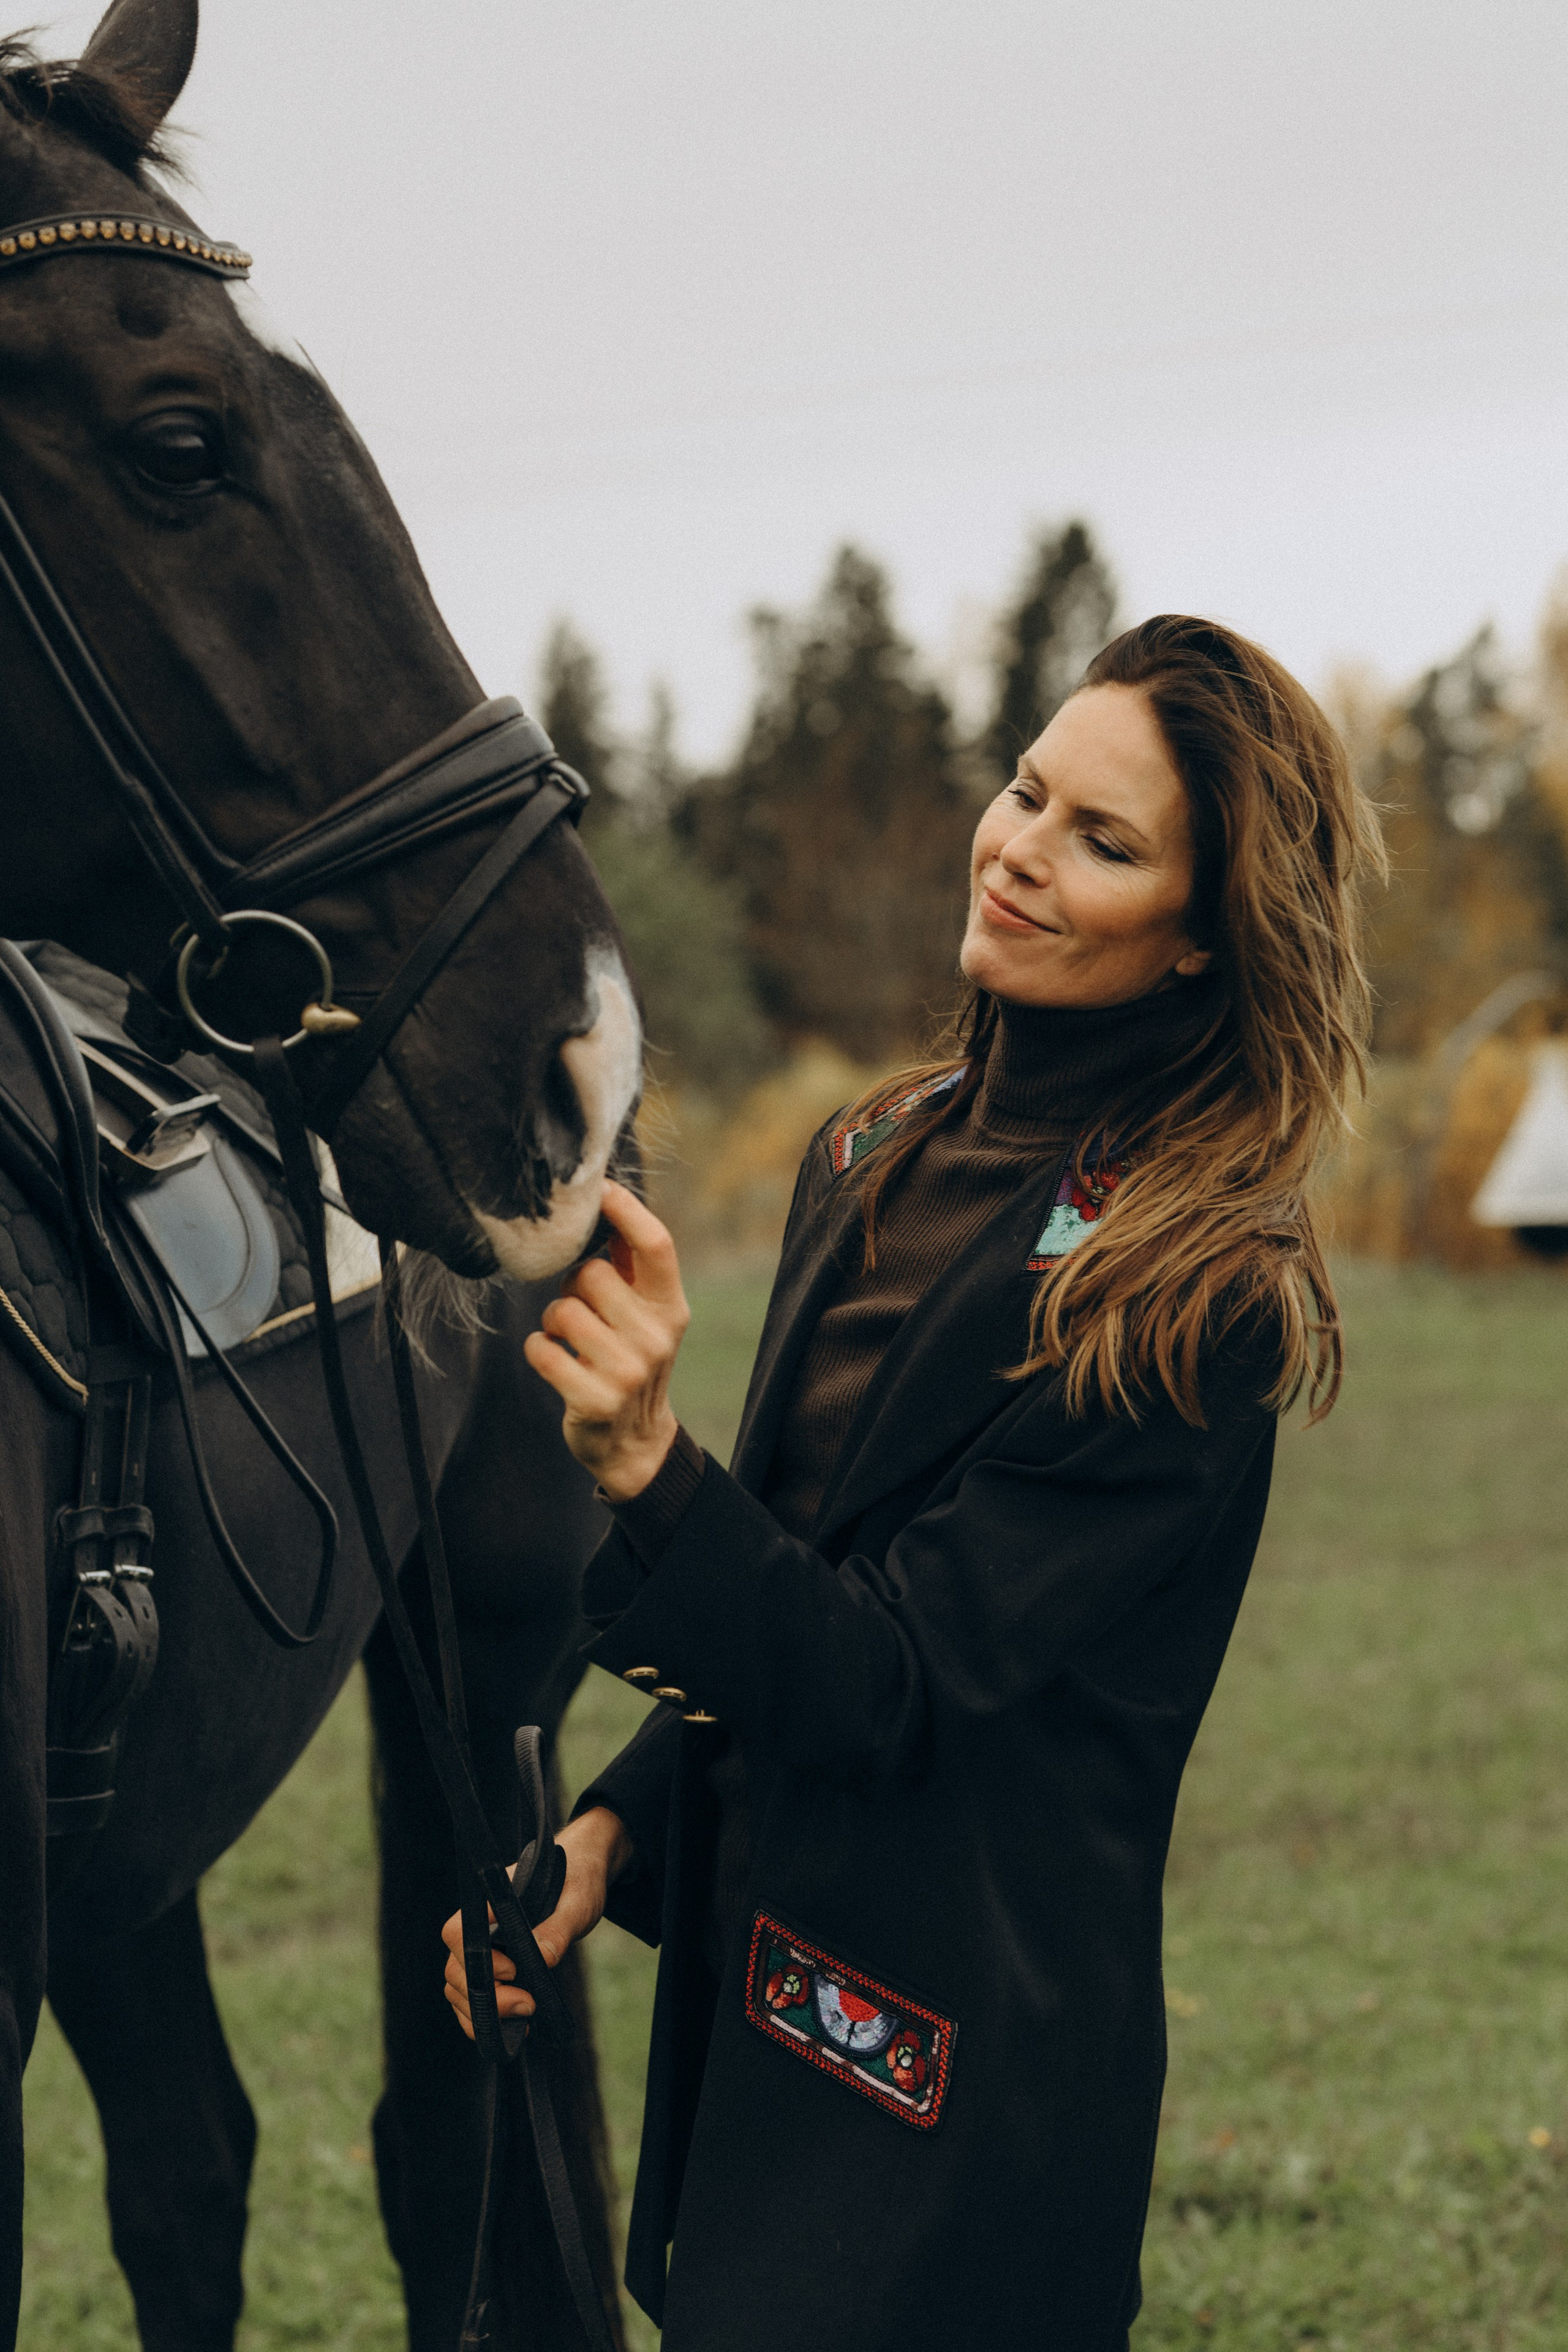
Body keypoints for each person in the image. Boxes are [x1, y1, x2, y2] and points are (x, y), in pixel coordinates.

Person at [442, 615, 1384, 2350]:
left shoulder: (1190, 1289)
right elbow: (805, 1578)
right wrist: (616, 1830)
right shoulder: (874, 1149)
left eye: (1104, 843)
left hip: (966, 2078)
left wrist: (650, 1470)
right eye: (1030, 791)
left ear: (1201, 941)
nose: (1022, 850)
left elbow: (894, 1683)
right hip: (756, 2007)